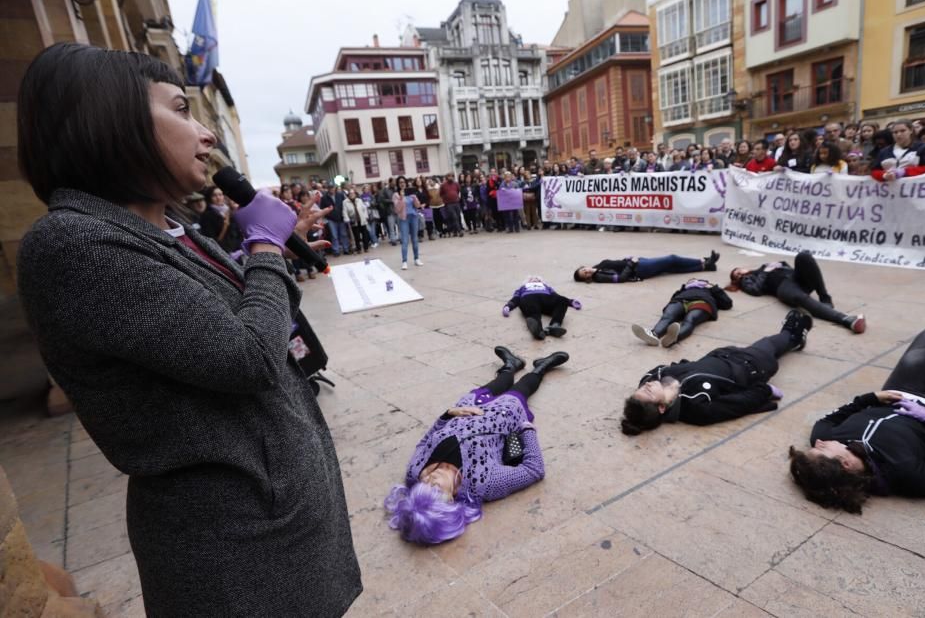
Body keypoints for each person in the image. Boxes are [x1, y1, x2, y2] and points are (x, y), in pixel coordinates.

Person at [15, 43, 361, 615]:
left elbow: (235, 316)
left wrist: (267, 252)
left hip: (277, 519)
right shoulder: (74, 245)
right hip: (236, 545)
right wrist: (267, 247)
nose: (206, 135)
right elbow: (245, 356)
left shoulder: (169, 227)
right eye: (181, 110)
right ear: (112, 120)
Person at [789, 327, 925, 514]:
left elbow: (829, 418)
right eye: (822, 449)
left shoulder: (825, 437)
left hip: (897, 395)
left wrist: (870, 399)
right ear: (845, 464)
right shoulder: (903, 474)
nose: (818, 443)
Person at [385, 346, 569, 544]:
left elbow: (426, 440)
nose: (430, 478)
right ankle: (541, 368)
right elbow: (534, 470)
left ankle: (510, 366)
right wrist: (526, 429)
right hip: (503, 416)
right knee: (520, 390)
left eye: (422, 486)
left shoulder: (414, 472)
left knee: (496, 384)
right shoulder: (482, 484)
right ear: (451, 500)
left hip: (468, 407)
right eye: (437, 489)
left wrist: (448, 414)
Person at [621, 311, 811, 435]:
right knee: (773, 342)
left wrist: (692, 366)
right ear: (662, 408)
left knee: (772, 344)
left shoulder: (653, 379)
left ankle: (793, 339)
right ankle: (794, 334)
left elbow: (666, 369)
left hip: (722, 354)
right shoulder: (696, 408)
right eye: (647, 391)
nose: (646, 384)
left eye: (640, 388)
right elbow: (739, 404)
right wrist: (764, 391)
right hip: (751, 367)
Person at [728, 251, 865, 334]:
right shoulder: (748, 279)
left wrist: (773, 266)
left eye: (739, 270)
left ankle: (825, 299)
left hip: (796, 278)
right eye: (736, 275)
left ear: (744, 267)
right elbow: (755, 290)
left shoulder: (763, 266)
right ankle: (846, 319)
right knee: (800, 298)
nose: (739, 274)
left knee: (803, 256)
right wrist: (764, 272)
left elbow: (786, 266)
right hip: (782, 287)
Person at [631, 277, 733, 348]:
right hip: (680, 300)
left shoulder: (710, 289)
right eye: (692, 280)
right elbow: (672, 299)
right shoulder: (683, 290)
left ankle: (674, 338)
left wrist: (714, 288)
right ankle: (653, 335)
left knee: (690, 320)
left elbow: (727, 304)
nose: (694, 281)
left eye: (698, 280)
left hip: (702, 301)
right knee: (667, 317)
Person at [502, 276, 583, 340]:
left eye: (537, 279)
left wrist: (570, 301)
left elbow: (556, 296)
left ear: (541, 281)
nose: (535, 279)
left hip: (546, 298)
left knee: (562, 300)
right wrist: (508, 306)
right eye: (531, 279)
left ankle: (555, 325)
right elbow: (516, 298)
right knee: (530, 306)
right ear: (527, 281)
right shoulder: (522, 288)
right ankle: (537, 329)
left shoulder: (546, 287)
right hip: (529, 297)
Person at [574, 250, 719, 283]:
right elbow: (621, 278)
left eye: (583, 270)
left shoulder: (596, 267)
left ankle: (705, 266)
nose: (586, 272)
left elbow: (616, 264)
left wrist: (628, 259)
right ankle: (703, 260)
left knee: (670, 268)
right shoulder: (599, 276)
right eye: (585, 275)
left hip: (638, 263)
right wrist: (631, 263)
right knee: (671, 259)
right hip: (640, 268)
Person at [198, 185, 244, 253]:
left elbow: (237, 232)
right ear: (209, 198)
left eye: (220, 194)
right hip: (224, 253)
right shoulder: (207, 215)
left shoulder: (228, 211)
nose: (218, 198)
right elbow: (212, 241)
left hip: (238, 251)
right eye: (214, 195)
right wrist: (225, 225)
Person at [392, 176, 423, 270]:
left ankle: (416, 258)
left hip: (413, 217)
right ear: (398, 184)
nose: (402, 184)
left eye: (404, 182)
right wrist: (401, 198)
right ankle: (404, 261)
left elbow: (418, 206)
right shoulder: (396, 195)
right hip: (404, 219)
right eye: (400, 182)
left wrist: (415, 198)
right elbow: (397, 209)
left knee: (415, 239)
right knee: (405, 240)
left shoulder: (411, 193)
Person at [343, 189, 371, 253]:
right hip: (353, 221)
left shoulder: (359, 200)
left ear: (355, 194)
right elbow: (344, 212)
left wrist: (366, 216)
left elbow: (364, 209)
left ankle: (366, 248)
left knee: (365, 235)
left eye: (353, 193)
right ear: (348, 195)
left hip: (362, 220)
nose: (352, 194)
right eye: (350, 193)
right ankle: (359, 249)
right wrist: (347, 219)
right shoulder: (345, 202)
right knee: (357, 236)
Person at [440, 172, 464, 237]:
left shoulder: (456, 184)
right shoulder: (443, 185)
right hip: (448, 204)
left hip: (456, 202)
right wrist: (445, 199)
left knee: (458, 216)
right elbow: (441, 194)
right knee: (454, 216)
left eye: (451, 176)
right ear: (447, 177)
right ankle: (460, 231)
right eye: (449, 176)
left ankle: (455, 231)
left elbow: (459, 191)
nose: (450, 177)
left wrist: (457, 197)